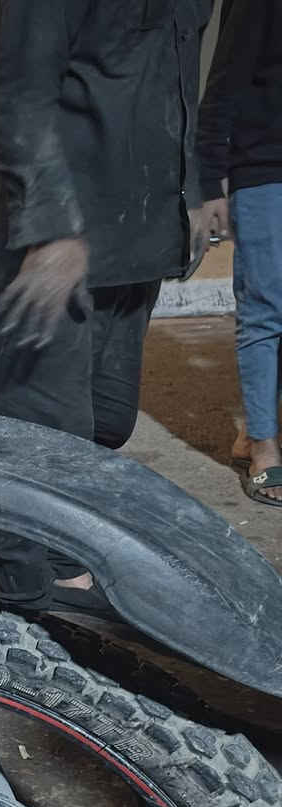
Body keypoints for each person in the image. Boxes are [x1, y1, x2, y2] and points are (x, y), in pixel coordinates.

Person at [0, 0, 213, 614]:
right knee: (39, 430)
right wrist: (50, 230)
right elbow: (18, 88)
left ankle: (66, 554)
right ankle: (31, 587)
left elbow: (175, 78)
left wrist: (192, 192)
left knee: (106, 420)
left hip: (134, 237)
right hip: (52, 240)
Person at [196, 0, 282, 505]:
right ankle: (264, 448)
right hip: (267, 169)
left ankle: (257, 432)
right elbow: (224, 81)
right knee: (265, 311)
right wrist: (209, 182)